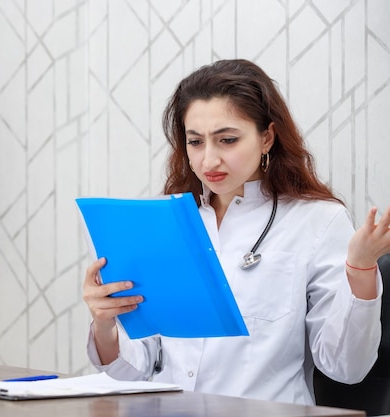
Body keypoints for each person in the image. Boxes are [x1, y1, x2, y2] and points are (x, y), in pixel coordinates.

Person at [82, 59, 390, 405]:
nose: (208, 160)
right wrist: (104, 322)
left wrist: (361, 269)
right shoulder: (167, 222)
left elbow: (345, 368)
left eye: (226, 140)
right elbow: (132, 369)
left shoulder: (317, 221)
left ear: (267, 138)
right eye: (195, 142)